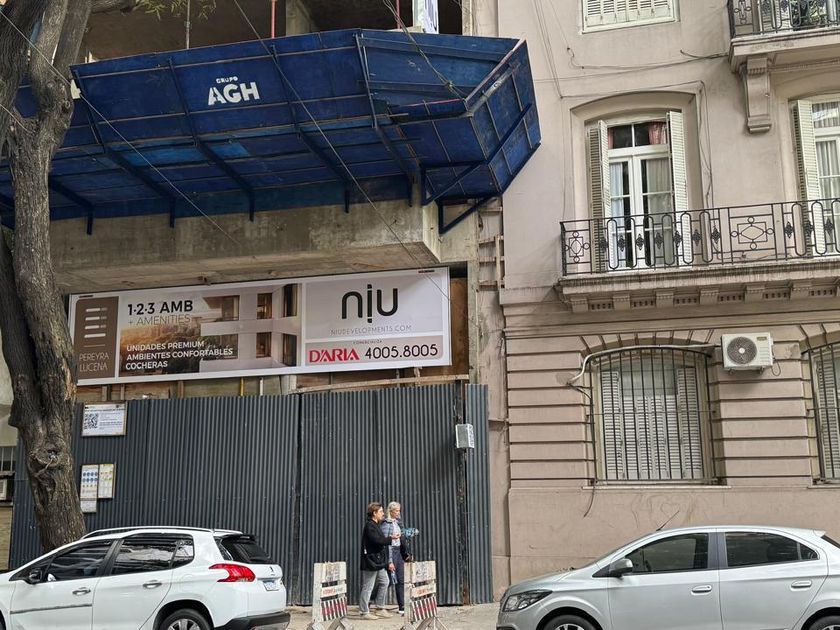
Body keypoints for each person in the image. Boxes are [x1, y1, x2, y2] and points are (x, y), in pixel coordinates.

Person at [359, 501, 399, 621]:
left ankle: (380, 608)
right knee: (368, 587)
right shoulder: (369, 526)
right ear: (374, 513)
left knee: (385, 581)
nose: (383, 513)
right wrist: (391, 538)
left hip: (378, 562)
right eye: (381, 511)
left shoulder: (376, 524)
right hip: (371, 562)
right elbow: (377, 540)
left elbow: (380, 540)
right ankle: (364, 612)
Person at [380, 501, 414, 616]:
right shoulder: (386, 524)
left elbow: (402, 537)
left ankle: (402, 606)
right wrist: (389, 561)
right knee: (388, 580)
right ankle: (372, 600)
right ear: (391, 511)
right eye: (396, 511)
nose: (399, 513)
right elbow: (386, 544)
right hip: (391, 552)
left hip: (399, 551)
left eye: (399, 510)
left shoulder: (398, 522)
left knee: (401, 579)